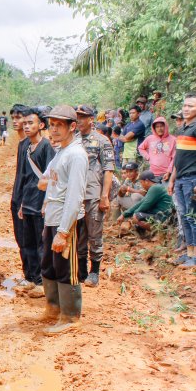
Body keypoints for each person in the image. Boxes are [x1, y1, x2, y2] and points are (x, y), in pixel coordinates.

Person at [38, 105, 87, 335]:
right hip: (53, 218)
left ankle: (70, 316)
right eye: (52, 124)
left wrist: (64, 231)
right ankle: (53, 308)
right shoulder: (61, 152)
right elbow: (51, 186)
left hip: (67, 221)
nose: (54, 129)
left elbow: (75, 196)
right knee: (49, 263)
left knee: (66, 268)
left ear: (72, 126)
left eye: (59, 125)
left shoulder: (76, 155)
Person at [15, 107, 55, 295]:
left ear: (41, 125)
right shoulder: (24, 147)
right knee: (28, 242)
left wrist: (47, 203)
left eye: (31, 123)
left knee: (42, 244)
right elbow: (24, 177)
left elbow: (50, 178)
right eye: (26, 123)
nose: (27, 126)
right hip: (28, 202)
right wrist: (21, 202)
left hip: (41, 203)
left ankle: (41, 281)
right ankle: (30, 277)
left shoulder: (46, 147)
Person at [75, 105, 114, 287]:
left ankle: (94, 271)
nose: (79, 120)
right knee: (78, 234)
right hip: (76, 195)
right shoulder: (73, 140)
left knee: (94, 234)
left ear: (91, 119)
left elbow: (108, 169)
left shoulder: (102, 141)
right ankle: (81, 270)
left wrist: (105, 195)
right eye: (77, 117)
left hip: (93, 195)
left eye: (82, 117)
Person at [168, 93, 196, 267]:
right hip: (180, 179)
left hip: (192, 180)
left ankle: (195, 257)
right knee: (185, 217)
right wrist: (172, 179)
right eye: (185, 105)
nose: (186, 109)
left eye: (191, 106)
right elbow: (179, 158)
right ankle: (189, 253)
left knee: (192, 217)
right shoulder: (183, 129)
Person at [9, 104, 32, 286]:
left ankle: (32, 276)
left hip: (27, 199)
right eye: (14, 118)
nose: (17, 122)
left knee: (28, 238)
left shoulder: (32, 145)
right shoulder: (21, 143)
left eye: (20, 118)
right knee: (20, 237)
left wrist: (24, 200)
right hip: (18, 196)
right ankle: (28, 274)